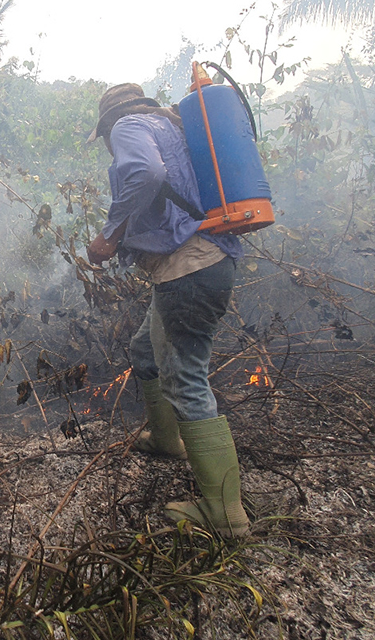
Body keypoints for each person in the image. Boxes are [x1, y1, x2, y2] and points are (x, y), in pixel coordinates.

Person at [85, 83, 250, 538]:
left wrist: (110, 234)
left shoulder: (129, 127)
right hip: (200, 263)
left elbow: (145, 173)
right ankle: (165, 440)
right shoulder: (171, 126)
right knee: (146, 350)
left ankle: (225, 513)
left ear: (109, 123)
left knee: (185, 377)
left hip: (189, 268)